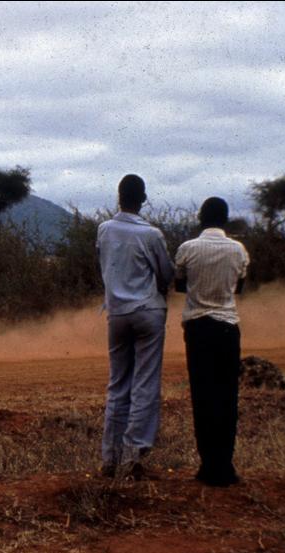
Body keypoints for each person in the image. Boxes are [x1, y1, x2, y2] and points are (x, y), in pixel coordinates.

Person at [96, 174, 174, 479]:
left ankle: (109, 457)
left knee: (118, 384)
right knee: (145, 384)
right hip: (147, 312)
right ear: (143, 199)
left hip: (116, 314)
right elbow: (165, 274)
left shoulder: (104, 230)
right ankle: (133, 454)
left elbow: (101, 264)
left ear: (118, 197)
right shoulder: (152, 234)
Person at [175, 197, 249, 487]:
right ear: (226, 220)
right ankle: (225, 466)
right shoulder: (238, 250)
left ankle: (207, 466)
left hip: (198, 328)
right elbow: (239, 288)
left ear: (200, 219)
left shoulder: (187, 249)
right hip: (228, 328)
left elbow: (180, 285)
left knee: (202, 396)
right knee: (227, 396)